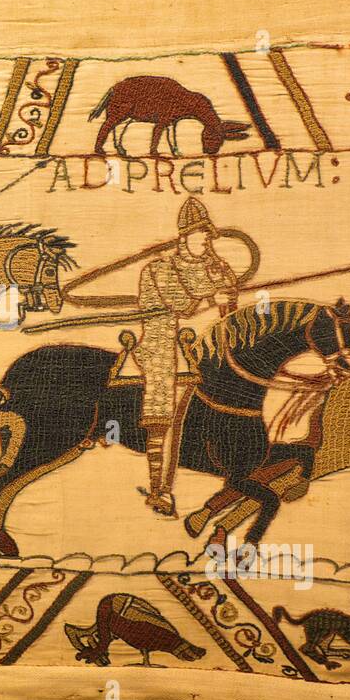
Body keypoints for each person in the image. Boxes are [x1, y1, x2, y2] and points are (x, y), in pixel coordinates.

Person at [135, 197, 239, 517]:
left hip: (204, 347)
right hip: (163, 347)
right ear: (184, 237)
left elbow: (230, 304)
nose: (205, 241)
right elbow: (180, 305)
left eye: (207, 235)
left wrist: (225, 294)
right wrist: (213, 297)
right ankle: (160, 490)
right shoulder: (158, 269)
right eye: (199, 235)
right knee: (166, 415)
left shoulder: (214, 266)